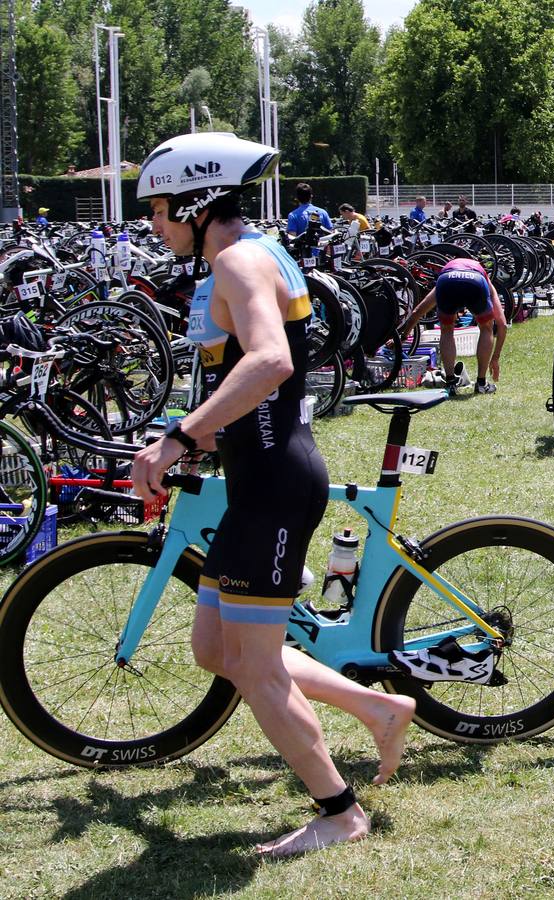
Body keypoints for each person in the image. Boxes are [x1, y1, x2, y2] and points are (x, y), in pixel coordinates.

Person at [131, 132, 415, 857]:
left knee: (255, 667)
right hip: (255, 481)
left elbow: (269, 359)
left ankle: (340, 812)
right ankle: (376, 709)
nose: (155, 226)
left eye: (160, 210)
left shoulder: (238, 259)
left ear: (197, 203)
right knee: (216, 649)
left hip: (275, 488)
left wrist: (179, 439)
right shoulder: (249, 252)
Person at [400, 257, 506, 395]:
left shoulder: (445, 278)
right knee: (486, 328)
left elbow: (417, 312)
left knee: (446, 330)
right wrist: (495, 358)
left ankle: (450, 383)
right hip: (475, 281)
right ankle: (481, 383)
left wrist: (403, 337)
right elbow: (502, 324)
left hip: (447, 281)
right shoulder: (485, 279)